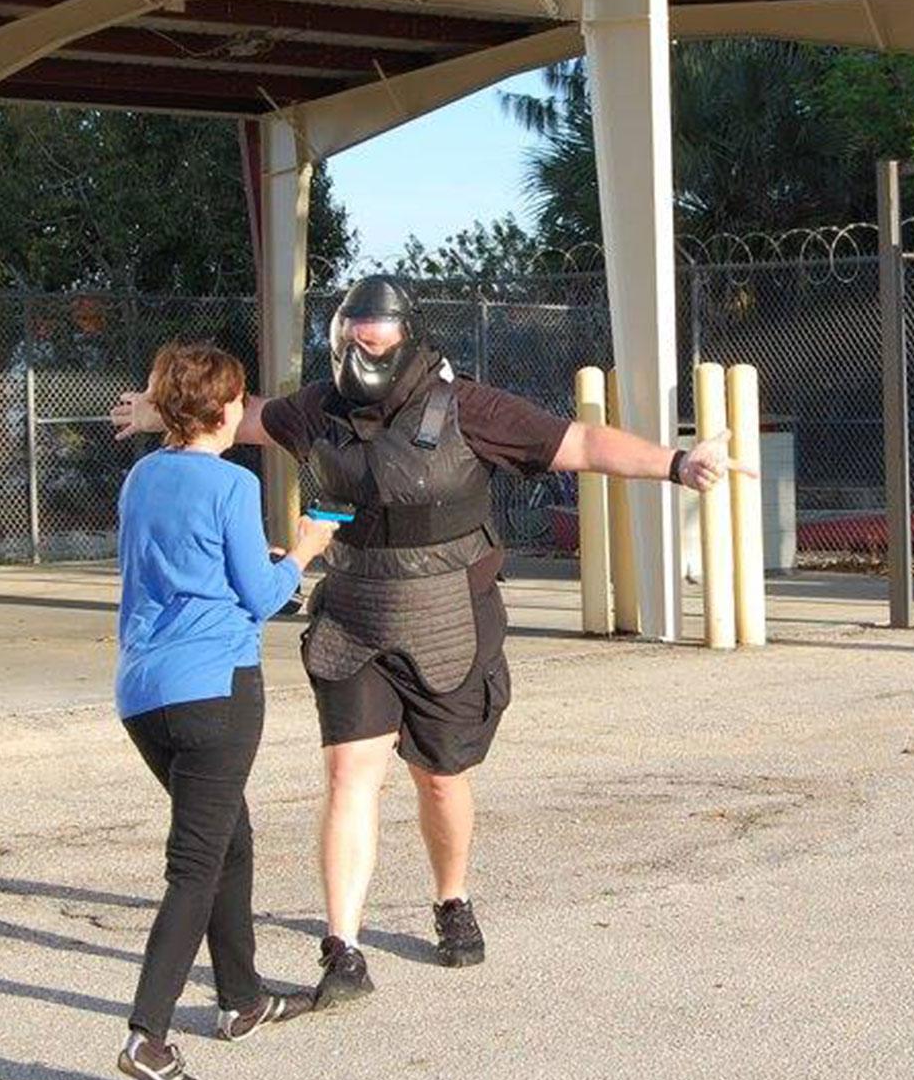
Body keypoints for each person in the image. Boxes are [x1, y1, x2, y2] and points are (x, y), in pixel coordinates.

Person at [112, 277, 749, 1010]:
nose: (363, 352)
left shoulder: (468, 407)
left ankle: (452, 898)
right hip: (355, 610)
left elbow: (579, 443)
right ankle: (343, 947)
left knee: (440, 777)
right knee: (351, 776)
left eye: (376, 340)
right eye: (354, 339)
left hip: (448, 609)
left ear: (407, 337)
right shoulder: (318, 408)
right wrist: (162, 407)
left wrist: (675, 463)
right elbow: (236, 419)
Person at [112, 341, 338, 1080]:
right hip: (214, 688)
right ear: (224, 408)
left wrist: (262, 563)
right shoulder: (232, 485)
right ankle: (148, 1034)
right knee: (196, 865)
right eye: (240, 399)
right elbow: (263, 595)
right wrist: (304, 548)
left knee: (229, 839)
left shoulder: (143, 475)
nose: (244, 410)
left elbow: (185, 565)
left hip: (144, 692)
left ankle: (241, 999)